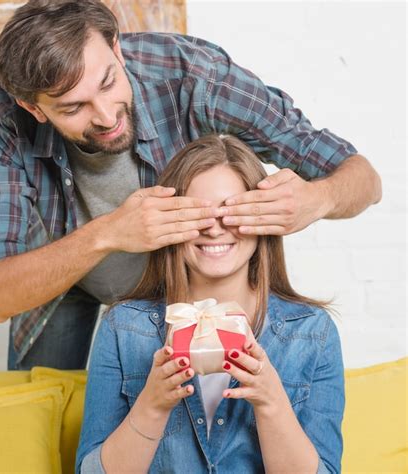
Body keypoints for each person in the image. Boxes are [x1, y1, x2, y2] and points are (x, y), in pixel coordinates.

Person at [0, 0, 381, 370]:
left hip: (184, 277)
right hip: (64, 278)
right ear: (30, 106)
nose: (106, 116)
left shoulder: (195, 75)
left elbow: (365, 179)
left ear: (116, 49)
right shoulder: (0, 117)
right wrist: (108, 233)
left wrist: (319, 198)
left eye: (109, 83)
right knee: (41, 411)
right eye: (73, 107)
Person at [76, 134, 344, 474]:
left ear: (264, 220)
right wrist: (153, 405)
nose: (215, 230)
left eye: (233, 212)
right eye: (197, 214)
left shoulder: (312, 334)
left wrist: (270, 402)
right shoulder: (124, 328)